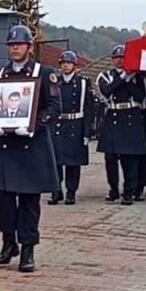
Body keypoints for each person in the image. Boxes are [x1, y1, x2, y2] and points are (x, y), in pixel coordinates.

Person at [0, 25, 60, 272]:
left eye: (19, 44)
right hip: (6, 146)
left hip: (31, 145)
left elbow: (54, 108)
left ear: (29, 46)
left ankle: (28, 248)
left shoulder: (44, 73)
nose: (15, 48)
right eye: (11, 44)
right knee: (3, 200)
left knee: (28, 201)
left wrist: (33, 125)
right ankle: (8, 242)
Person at [96, 45, 146, 205]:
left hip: (131, 115)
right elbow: (107, 91)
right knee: (110, 158)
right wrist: (122, 78)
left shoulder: (138, 77)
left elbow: (140, 96)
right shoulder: (105, 75)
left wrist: (130, 79)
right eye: (116, 57)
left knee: (130, 159)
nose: (119, 60)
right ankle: (113, 189)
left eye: (123, 57)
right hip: (113, 115)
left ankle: (129, 191)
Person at [49, 50, 90, 206]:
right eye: (63, 63)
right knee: (56, 161)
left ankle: (71, 192)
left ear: (74, 65)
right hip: (59, 124)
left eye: (68, 63)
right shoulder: (55, 81)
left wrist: (87, 131)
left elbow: (88, 108)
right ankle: (56, 190)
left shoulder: (83, 83)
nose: (65, 65)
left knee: (73, 163)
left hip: (75, 124)